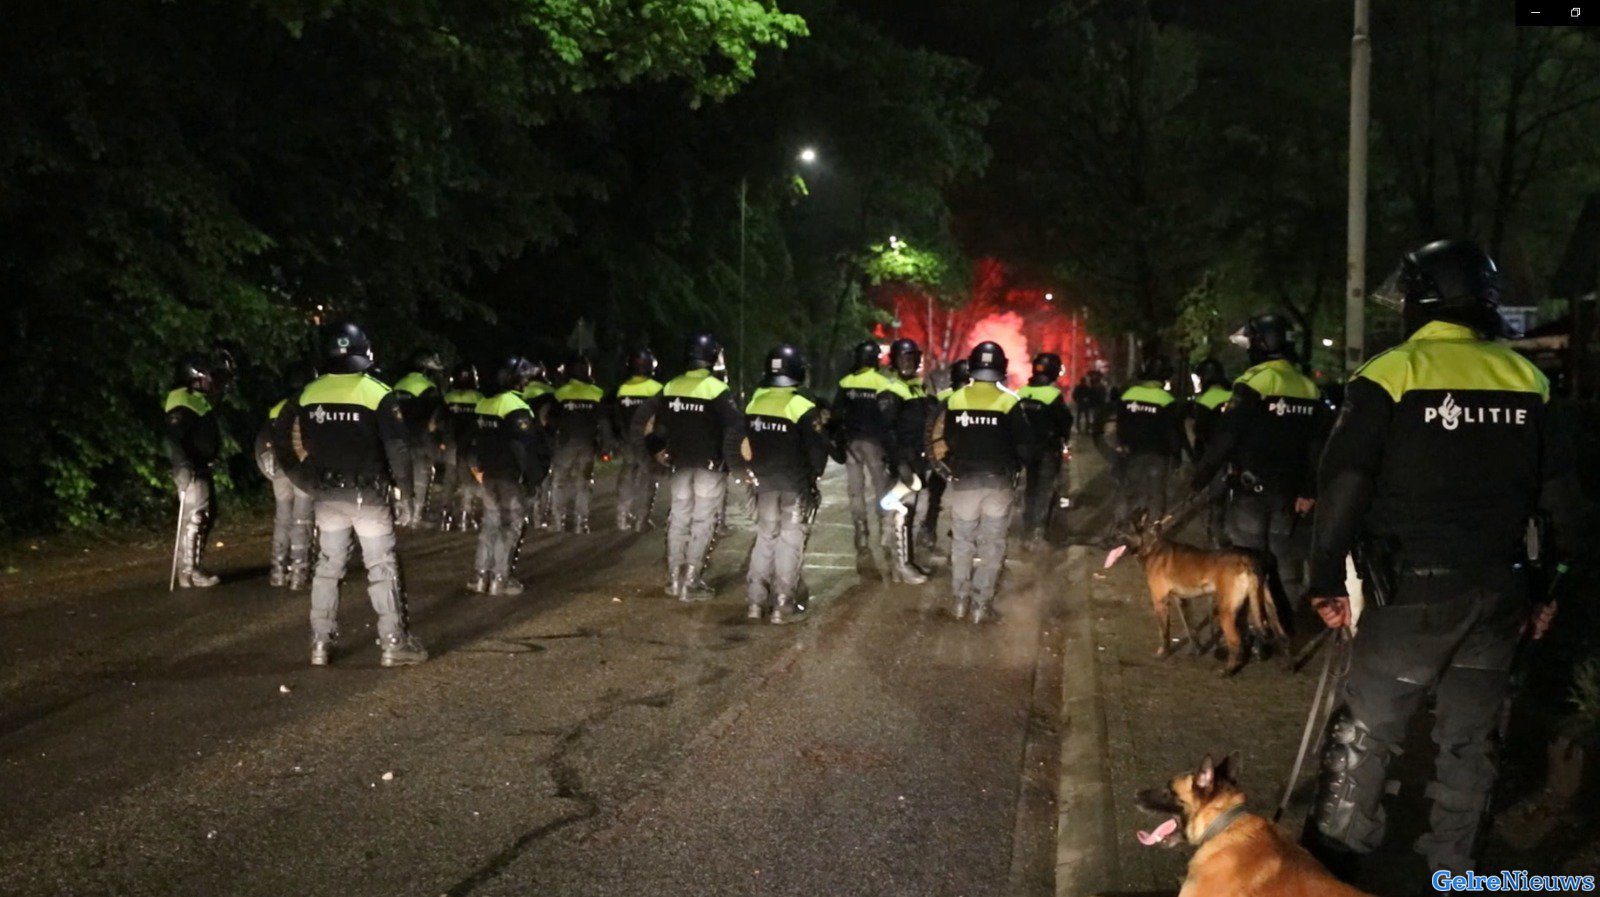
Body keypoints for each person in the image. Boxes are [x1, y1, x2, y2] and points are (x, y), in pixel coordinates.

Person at [1301, 239, 1569, 880]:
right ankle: (1457, 873)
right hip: (1497, 595)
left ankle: (1334, 876)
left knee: (1366, 734)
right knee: (1471, 744)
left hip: (1409, 600)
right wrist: (1546, 589)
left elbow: (1343, 486)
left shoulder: (1390, 374)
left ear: (1425, 298)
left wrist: (1324, 576)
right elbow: (1564, 502)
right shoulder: (1528, 379)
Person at [272, 322, 428, 667]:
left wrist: (304, 480)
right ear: (365, 352)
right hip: (368, 498)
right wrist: (406, 494)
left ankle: (319, 644)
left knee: (328, 568)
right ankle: (393, 644)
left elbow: (280, 441)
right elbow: (398, 449)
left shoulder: (307, 394)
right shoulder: (376, 393)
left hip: (327, 498)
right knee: (382, 567)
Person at [1191, 316, 1325, 595]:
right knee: (1285, 566)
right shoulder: (1307, 387)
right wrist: (1309, 489)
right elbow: (1317, 446)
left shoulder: (1253, 382)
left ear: (1262, 345)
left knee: (1246, 565)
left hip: (1252, 494)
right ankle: (1285, 628)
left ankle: (1252, 629)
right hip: (1289, 498)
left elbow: (1226, 438)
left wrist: (1199, 480)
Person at [926, 342, 1036, 622]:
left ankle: (959, 601)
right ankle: (980, 605)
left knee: (962, 542)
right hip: (998, 483)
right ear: (1001, 367)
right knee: (992, 544)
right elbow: (1025, 446)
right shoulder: (1010, 402)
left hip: (964, 482)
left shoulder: (956, 400)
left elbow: (947, 440)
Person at [647, 332, 744, 601]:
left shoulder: (671, 387)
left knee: (678, 518)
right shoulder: (716, 390)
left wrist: (657, 451)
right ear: (712, 357)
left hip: (679, 464)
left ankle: (674, 578)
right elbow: (735, 426)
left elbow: (657, 427)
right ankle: (692, 580)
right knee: (702, 521)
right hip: (709, 466)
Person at [738, 345, 831, 623]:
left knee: (765, 538)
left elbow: (746, 443)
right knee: (790, 540)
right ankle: (783, 604)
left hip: (763, 485)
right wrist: (814, 476)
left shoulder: (755, 402)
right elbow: (817, 449)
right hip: (794, 485)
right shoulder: (801, 405)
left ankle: (755, 603)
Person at [466, 356, 552, 596]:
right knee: (510, 527)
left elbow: (472, 444)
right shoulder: (515, 407)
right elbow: (524, 448)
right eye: (524, 378)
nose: (526, 382)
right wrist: (534, 479)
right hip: (510, 477)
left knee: (490, 525)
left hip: (487, 475)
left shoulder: (484, 403)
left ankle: (479, 577)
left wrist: (477, 471)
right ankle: (500, 580)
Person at [833, 339, 912, 567]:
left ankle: (861, 532)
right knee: (881, 488)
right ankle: (885, 532)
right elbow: (887, 418)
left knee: (855, 491)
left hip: (851, 444)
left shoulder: (846, 382)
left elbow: (837, 413)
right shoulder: (881, 383)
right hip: (874, 444)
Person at [255, 361, 318, 590]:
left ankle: (278, 571)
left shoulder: (276, 407)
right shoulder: (308, 404)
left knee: (282, 518)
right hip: (300, 467)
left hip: (278, 469)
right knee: (302, 519)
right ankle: (300, 573)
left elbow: (265, 440)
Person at [164, 353, 224, 588]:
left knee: (205, 518)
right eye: (206, 376)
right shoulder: (181, 400)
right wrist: (181, 465)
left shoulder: (196, 399)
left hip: (200, 466)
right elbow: (172, 437)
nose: (210, 380)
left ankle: (191, 567)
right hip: (190, 468)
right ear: (194, 377)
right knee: (195, 520)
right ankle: (190, 572)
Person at [1106, 355, 1185, 519]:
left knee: (1129, 490)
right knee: (1155, 493)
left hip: (1130, 453)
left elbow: (1119, 422)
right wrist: (1177, 456)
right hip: (1157, 454)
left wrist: (1120, 445)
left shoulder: (1128, 394)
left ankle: (1124, 529)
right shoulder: (1167, 399)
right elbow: (1173, 431)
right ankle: (1151, 532)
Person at [884, 338, 934, 581]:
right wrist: (900, 463)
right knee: (903, 511)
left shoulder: (917, 388)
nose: (908, 363)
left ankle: (905, 562)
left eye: (911, 358)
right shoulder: (891, 391)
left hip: (917, 459)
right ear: (894, 360)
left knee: (915, 510)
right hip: (903, 461)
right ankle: (901, 567)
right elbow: (887, 431)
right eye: (903, 358)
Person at [1016, 352, 1074, 546]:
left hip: (1025, 450)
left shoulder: (1021, 392)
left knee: (1030, 489)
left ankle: (1026, 531)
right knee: (1045, 490)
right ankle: (1038, 533)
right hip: (1047, 451)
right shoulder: (1053, 394)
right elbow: (1065, 421)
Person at [547, 355, 608, 532]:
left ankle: (558, 520)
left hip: (565, 444)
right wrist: (607, 443)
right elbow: (604, 422)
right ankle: (582, 522)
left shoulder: (560, 393)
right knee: (585, 482)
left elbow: (550, 419)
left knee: (560, 481)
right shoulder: (596, 392)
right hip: (587, 444)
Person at [610, 348, 665, 532]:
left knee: (627, 475)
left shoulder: (622, 390)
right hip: (647, 443)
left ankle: (622, 517)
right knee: (648, 479)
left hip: (627, 441)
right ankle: (642, 519)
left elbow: (616, 417)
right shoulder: (657, 389)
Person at [390, 349, 445, 525]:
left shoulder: (397, 385)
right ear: (426, 369)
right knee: (423, 473)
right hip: (420, 439)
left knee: (402, 475)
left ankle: (402, 513)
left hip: (398, 440)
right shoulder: (428, 387)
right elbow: (436, 416)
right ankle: (417, 515)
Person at [924, 358, 971, 550]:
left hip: (943, 454)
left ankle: (929, 530)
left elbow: (931, 425)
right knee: (961, 499)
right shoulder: (973, 396)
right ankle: (940, 531)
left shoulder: (943, 396)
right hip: (958, 455)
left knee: (936, 496)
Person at [1188, 357, 1233, 546]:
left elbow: (1200, 431)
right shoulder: (1233, 396)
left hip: (1215, 456)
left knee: (1217, 501)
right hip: (1237, 456)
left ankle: (1217, 541)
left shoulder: (1205, 400)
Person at [437, 362, 485, 532]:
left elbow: (438, 422)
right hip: (470, 446)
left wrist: (441, 440)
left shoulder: (448, 397)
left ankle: (445, 515)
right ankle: (466, 515)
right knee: (467, 481)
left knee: (449, 480)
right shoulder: (479, 398)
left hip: (450, 444)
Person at [521, 360, 558, 528]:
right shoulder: (550, 392)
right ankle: (540, 517)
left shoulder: (521, 392)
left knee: (525, 480)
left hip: (523, 442)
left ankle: (524, 515)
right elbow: (550, 420)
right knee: (544, 480)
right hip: (543, 443)